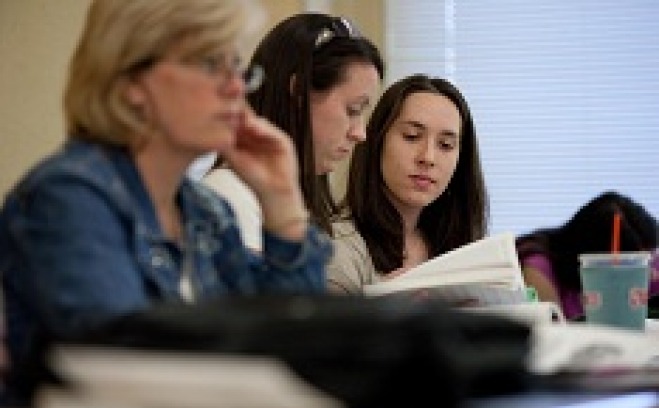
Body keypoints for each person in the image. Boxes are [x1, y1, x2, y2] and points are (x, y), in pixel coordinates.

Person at [0, 0, 333, 402]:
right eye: (211, 64)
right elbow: (127, 375)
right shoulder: (70, 198)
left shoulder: (206, 211)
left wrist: (282, 204)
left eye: (238, 68)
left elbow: (291, 344)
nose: (235, 89)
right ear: (131, 83)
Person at [203, 13, 384, 250]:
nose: (360, 133)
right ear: (299, 91)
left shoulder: (311, 203)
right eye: (353, 110)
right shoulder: (231, 196)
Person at [326, 74, 489, 294]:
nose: (428, 157)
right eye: (412, 136)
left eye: (446, 145)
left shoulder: (460, 245)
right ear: (378, 142)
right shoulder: (337, 245)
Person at [516, 191, 659, 320]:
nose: (652, 274)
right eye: (638, 263)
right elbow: (551, 337)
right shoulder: (539, 268)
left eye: (651, 258)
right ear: (597, 258)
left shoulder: (648, 260)